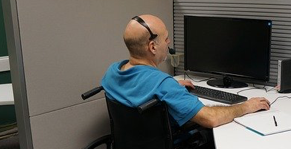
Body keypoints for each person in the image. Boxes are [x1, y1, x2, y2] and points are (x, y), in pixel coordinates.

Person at [101, 14, 270, 129]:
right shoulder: (162, 85)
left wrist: (172, 84)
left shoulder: (112, 72)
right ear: (152, 47)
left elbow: (138, 85)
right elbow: (210, 119)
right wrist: (247, 106)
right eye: (166, 38)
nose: (169, 43)